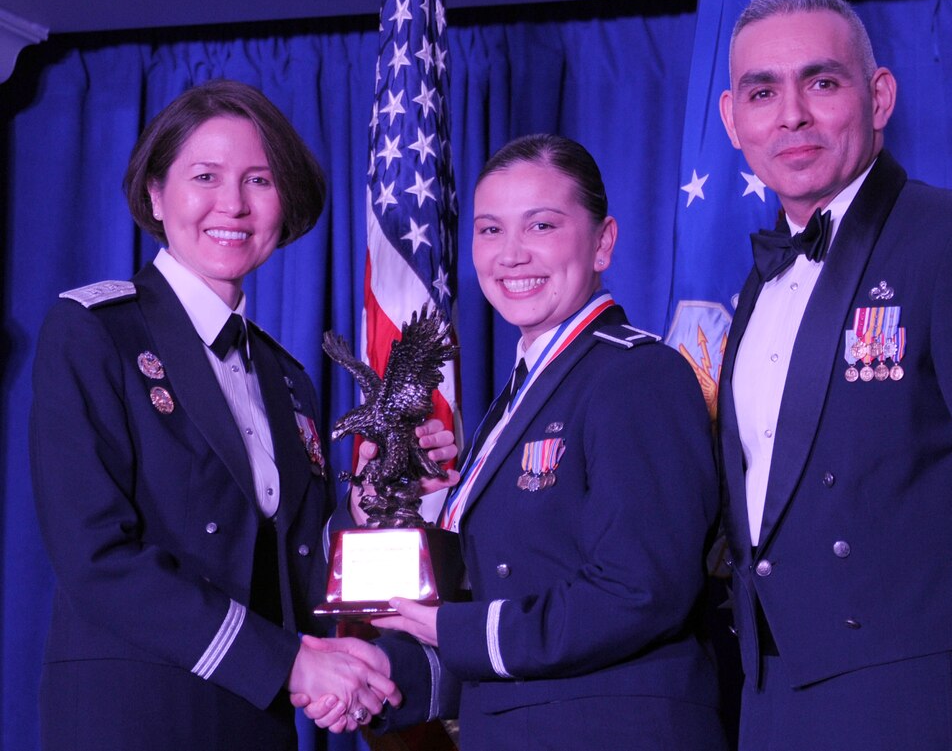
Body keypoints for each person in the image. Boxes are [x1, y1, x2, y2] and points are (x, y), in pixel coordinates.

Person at [29, 79, 456, 750]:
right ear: (154, 193)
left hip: (255, 722)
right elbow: (96, 558)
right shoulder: (94, 332)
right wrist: (290, 662)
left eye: (259, 180)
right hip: (133, 717)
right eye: (206, 176)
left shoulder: (285, 377)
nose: (232, 204)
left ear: (284, 206)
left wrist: (371, 504)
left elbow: (302, 578)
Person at [714, 0, 952, 751]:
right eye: (762, 91)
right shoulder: (756, 288)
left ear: (879, 96)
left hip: (920, 701)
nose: (791, 114)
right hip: (771, 704)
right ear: (732, 120)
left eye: (821, 82)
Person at [297, 134, 728, 749]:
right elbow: (504, 607)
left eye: (542, 225)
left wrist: (455, 630)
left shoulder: (637, 375)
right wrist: (387, 676)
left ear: (603, 241)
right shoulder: (524, 394)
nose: (512, 255)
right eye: (490, 230)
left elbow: (640, 592)